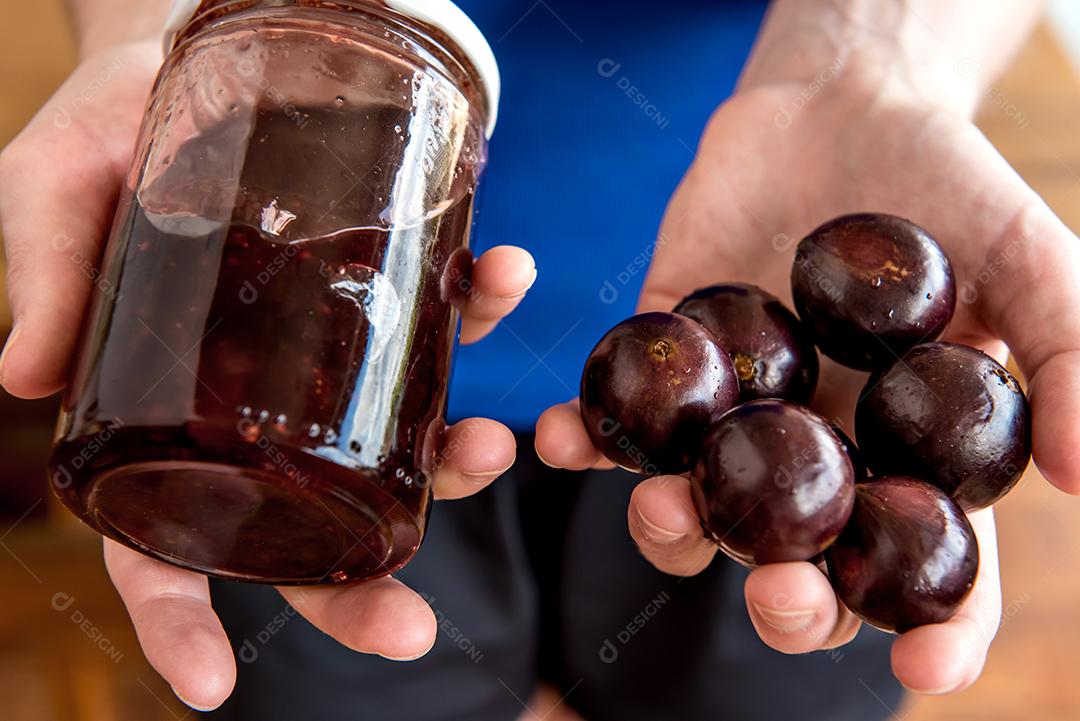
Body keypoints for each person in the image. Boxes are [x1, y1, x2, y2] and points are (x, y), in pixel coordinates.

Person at [2, 0, 1077, 719]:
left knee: (741, 680)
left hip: (749, 273)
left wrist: (873, 61)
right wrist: (152, 35)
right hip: (320, 372)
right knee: (353, 682)